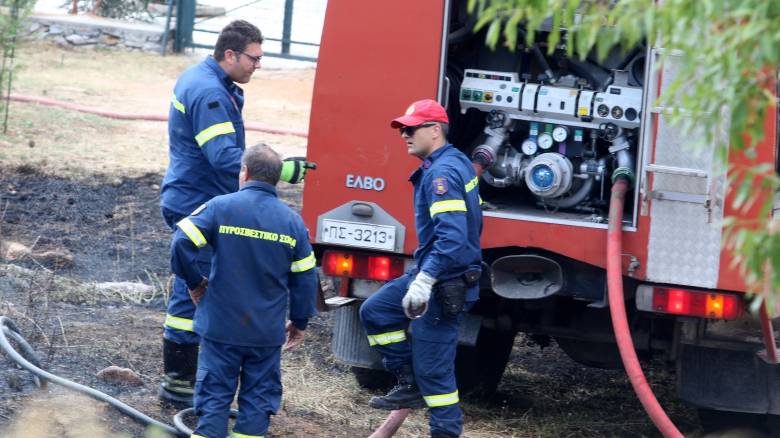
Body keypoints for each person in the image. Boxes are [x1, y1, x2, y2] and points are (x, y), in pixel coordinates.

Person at [159, 20, 309, 405]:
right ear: (230, 54)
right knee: (192, 291)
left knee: (199, 286)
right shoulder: (210, 92)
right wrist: (280, 170)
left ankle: (188, 380)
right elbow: (224, 157)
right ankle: (179, 385)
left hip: (195, 194)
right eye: (254, 58)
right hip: (197, 200)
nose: (258, 65)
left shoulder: (207, 79)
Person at [170, 143, 318, 438]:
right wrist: (300, 321)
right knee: (257, 404)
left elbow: (180, 243)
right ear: (276, 179)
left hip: (221, 328)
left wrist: (195, 282)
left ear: (245, 172)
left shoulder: (220, 207)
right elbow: (305, 279)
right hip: (265, 334)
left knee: (213, 401)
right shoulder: (293, 223)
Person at [359, 99, 483, 438]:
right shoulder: (451, 162)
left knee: (435, 374)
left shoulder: (442, 173)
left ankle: (444, 430)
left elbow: (453, 238)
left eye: (412, 128)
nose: (404, 135)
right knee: (376, 311)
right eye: (403, 129)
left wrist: (426, 280)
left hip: (445, 282)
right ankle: (409, 382)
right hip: (434, 272)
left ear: (434, 130)